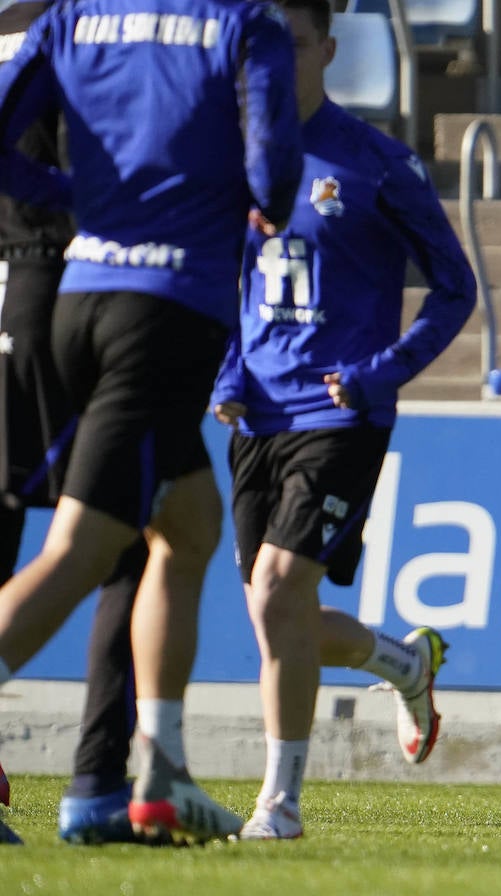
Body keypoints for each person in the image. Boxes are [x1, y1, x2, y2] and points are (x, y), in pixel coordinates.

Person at [0, 0, 302, 845]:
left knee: (188, 523)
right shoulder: (246, 23)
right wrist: (257, 203)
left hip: (78, 296)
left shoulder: (71, 18)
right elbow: (275, 170)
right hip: (166, 313)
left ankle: (157, 774)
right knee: (79, 552)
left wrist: (74, 194)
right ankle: (145, 775)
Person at [209, 0, 476, 841]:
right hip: (256, 415)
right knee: (273, 615)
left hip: (340, 415)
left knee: (282, 591)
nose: (276, 61)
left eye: (290, 44)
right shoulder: (237, 159)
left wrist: (378, 375)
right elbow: (225, 280)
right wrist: (226, 372)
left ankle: (278, 804)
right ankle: (406, 663)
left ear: (326, 48)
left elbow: (455, 286)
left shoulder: (380, 165)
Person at [0, 0, 155, 846]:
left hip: (13, 295)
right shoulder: (82, 39)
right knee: (120, 541)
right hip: (65, 290)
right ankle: (98, 784)